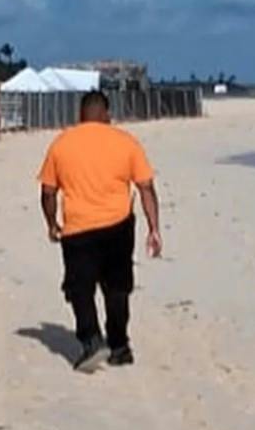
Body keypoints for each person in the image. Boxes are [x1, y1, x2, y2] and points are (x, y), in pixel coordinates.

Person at [38, 91, 163, 372]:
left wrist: (51, 223)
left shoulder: (62, 144)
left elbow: (48, 192)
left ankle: (92, 339)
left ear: (81, 115)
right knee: (117, 288)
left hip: (78, 228)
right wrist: (154, 228)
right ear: (106, 114)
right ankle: (119, 346)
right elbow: (146, 188)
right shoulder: (126, 142)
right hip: (118, 226)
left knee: (79, 288)